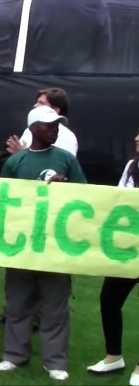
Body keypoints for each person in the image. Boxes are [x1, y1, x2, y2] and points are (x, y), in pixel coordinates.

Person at [0, 105, 86, 381]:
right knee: (18, 302)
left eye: (57, 124)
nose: (54, 128)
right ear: (33, 127)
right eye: (49, 124)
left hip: (55, 244)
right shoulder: (16, 163)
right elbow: (2, 200)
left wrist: (65, 188)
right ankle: (14, 355)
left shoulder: (65, 159)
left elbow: (84, 196)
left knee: (55, 305)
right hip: (22, 243)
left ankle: (55, 361)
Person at [86, 131, 139, 386]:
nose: (137, 138)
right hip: (127, 249)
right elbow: (118, 199)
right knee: (109, 300)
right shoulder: (131, 166)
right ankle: (113, 356)